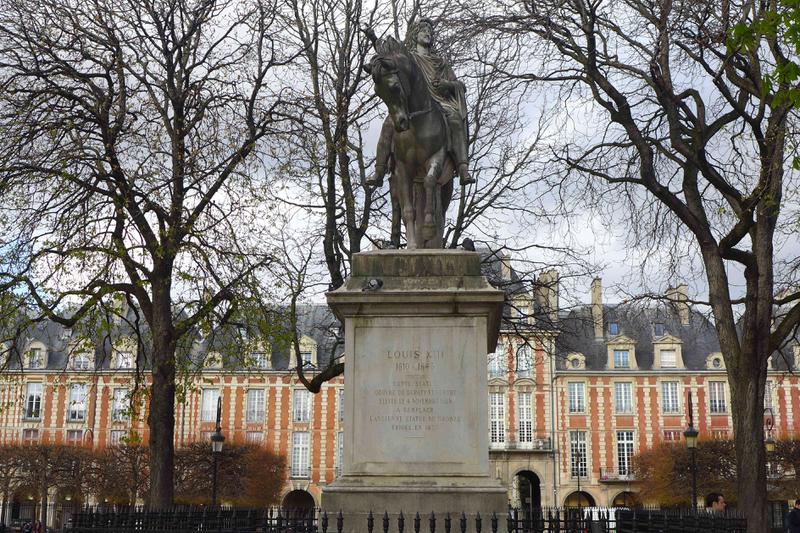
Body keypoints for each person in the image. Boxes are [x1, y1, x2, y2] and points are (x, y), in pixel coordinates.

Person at [367, 18, 475, 188]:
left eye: (430, 32)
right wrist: (374, 39)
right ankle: (379, 171)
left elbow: (460, 85)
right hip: (413, 105)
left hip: (440, 103)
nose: (428, 34)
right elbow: (387, 58)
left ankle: (463, 168)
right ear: (415, 35)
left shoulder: (440, 62)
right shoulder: (409, 59)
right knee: (388, 124)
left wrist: (447, 85)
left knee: (454, 119)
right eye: (424, 30)